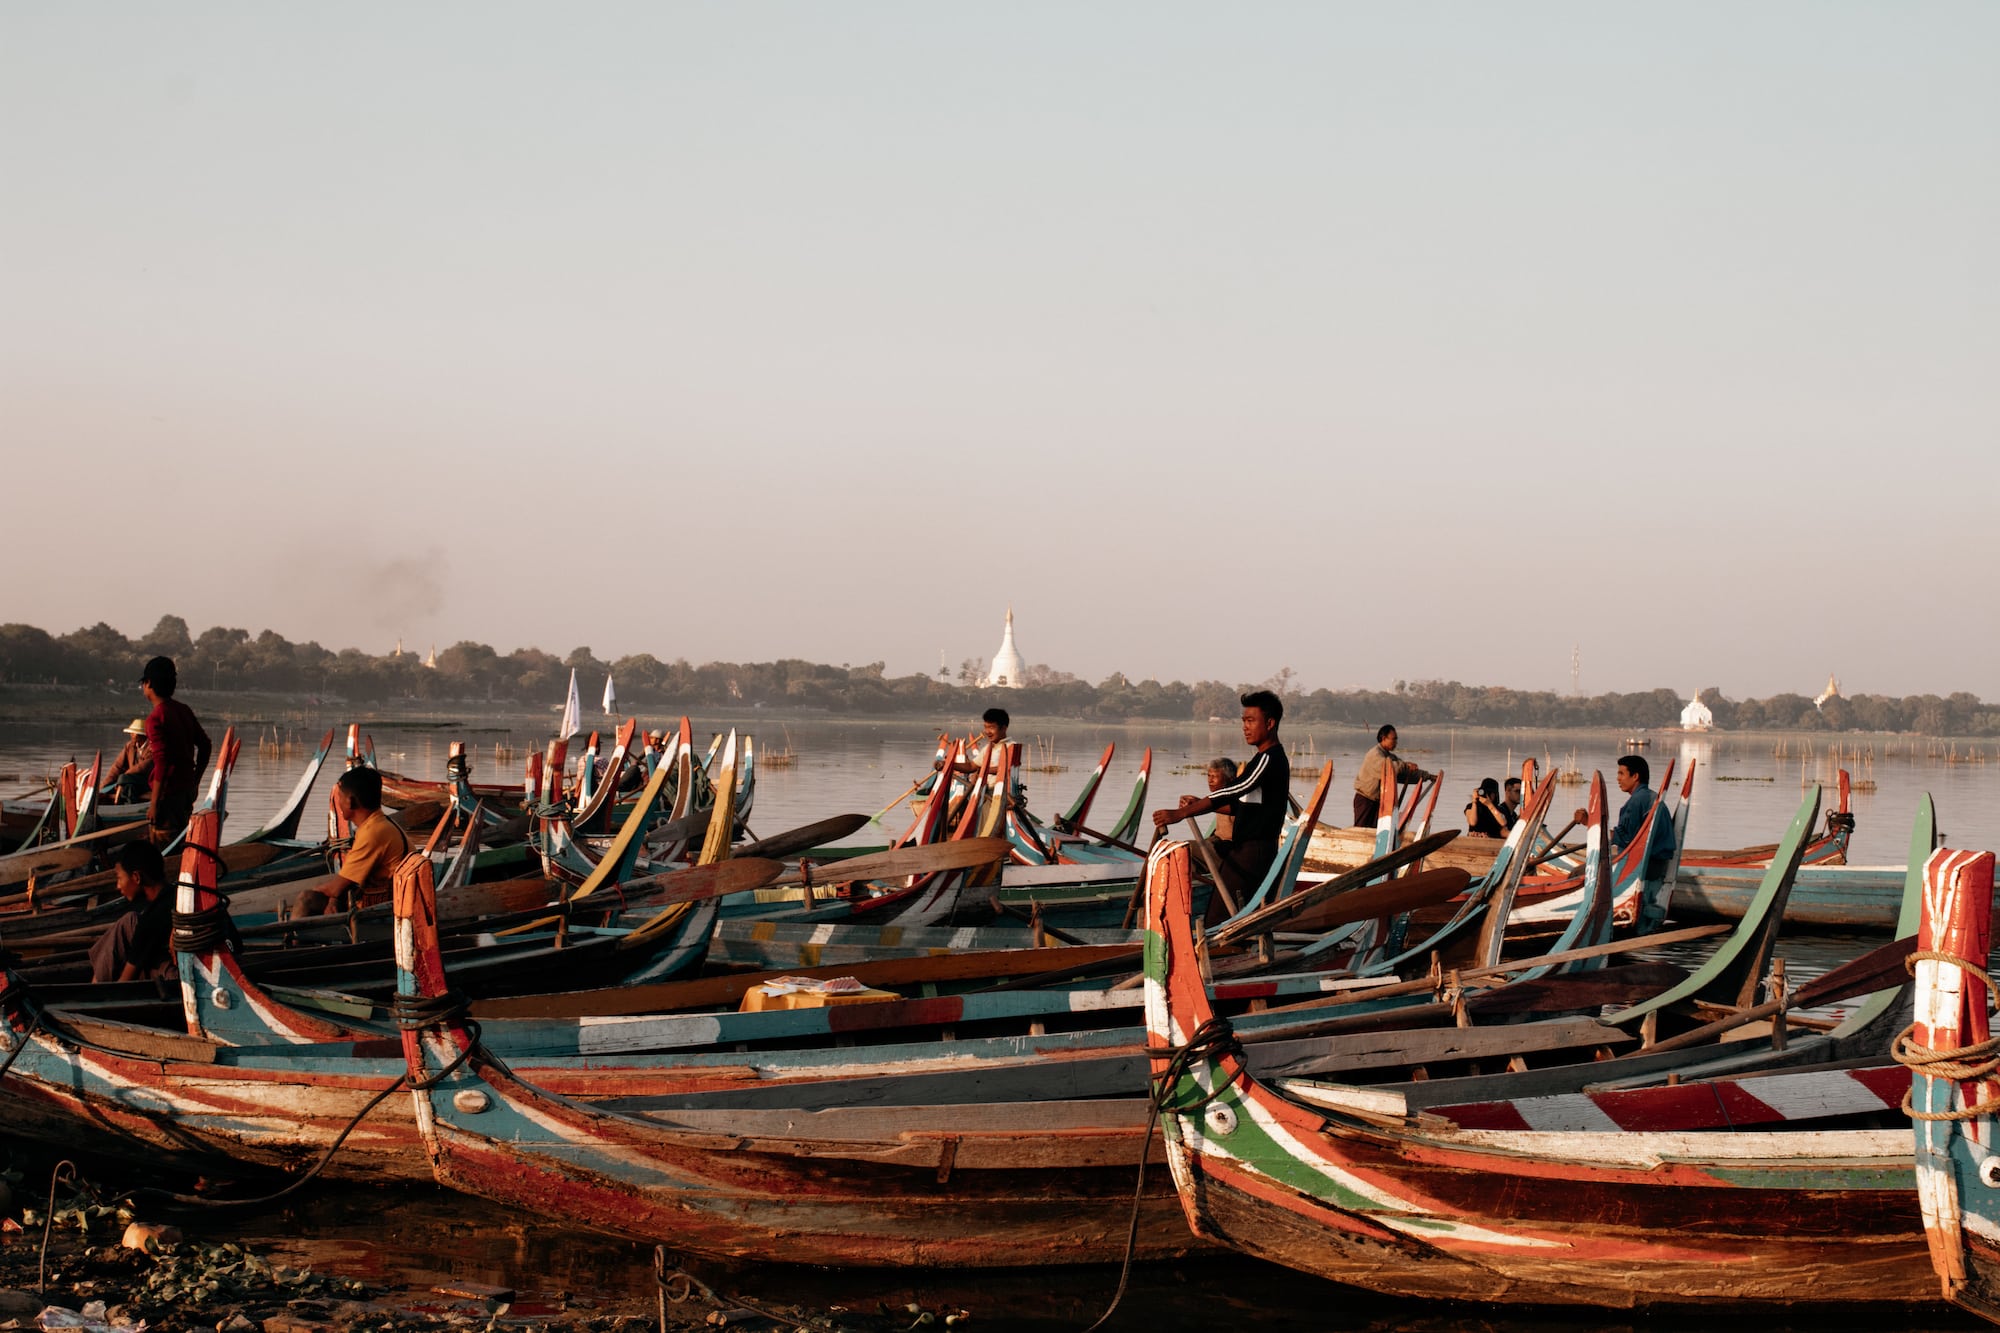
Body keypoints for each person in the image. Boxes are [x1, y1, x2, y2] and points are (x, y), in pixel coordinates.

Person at [1153, 690, 1291, 909]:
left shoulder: (1269, 759)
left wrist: (1181, 814)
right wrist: (1199, 805)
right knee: (1223, 913)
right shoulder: (1259, 758)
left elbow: (1234, 789)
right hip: (1242, 850)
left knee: (1221, 916)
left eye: (1251, 721)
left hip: (1253, 852)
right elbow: (1240, 806)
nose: (1245, 727)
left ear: (1270, 723)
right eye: (1244, 721)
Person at [291, 767, 411, 917]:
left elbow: (336, 887)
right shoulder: (380, 824)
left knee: (306, 899)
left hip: (387, 907)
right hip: (387, 897)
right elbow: (349, 881)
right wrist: (333, 898)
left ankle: (291, 940)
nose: (338, 802)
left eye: (340, 797)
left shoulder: (372, 833)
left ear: (350, 801)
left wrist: (321, 891)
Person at [138, 657, 212, 846]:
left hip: (168, 796)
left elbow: (162, 762)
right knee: (180, 843)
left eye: (143, 684)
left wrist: (154, 804)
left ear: (148, 684)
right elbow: (205, 745)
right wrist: (195, 781)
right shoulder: (183, 710)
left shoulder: (155, 719)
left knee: (165, 846)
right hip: (185, 792)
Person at [1574, 754, 1675, 878]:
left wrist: (1589, 822)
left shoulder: (1636, 802)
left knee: (1578, 873)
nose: (1618, 778)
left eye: (1621, 774)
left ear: (1635, 776)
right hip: (1658, 865)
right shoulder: (1651, 797)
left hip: (1643, 866)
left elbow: (1624, 839)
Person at [89, 841, 174, 983]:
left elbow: (125, 981)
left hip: (173, 979)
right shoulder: (173, 892)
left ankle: (96, 993)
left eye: (119, 878)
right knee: (129, 920)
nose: (118, 886)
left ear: (136, 877)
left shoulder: (151, 920)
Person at [1353, 725, 1431, 827]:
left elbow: (1402, 774)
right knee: (1361, 831)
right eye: (1393, 739)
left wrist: (1426, 776)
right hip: (1365, 800)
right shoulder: (1374, 754)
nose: (1396, 743)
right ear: (1384, 738)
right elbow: (1388, 768)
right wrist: (1406, 765)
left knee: (1375, 832)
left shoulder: (1389, 756)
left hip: (1378, 802)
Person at [102, 718, 152, 802]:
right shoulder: (129, 746)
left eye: (133, 733)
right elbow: (117, 767)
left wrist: (123, 778)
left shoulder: (152, 748)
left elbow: (142, 767)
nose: (131, 735)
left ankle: (127, 805)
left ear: (140, 735)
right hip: (128, 780)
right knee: (118, 785)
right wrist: (103, 785)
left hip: (145, 782)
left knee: (128, 786)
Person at [1205, 758, 1240, 841]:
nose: (1210, 781)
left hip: (1231, 845)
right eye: (1209, 775)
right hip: (1217, 840)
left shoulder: (1235, 797)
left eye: (1215, 776)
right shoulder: (1219, 797)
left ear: (1230, 779)